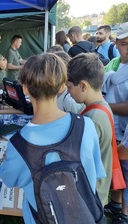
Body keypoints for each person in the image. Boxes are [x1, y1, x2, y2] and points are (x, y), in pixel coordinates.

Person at [0, 53, 106, 224]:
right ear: (62, 85)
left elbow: (8, 179)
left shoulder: (18, 144)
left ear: (25, 88)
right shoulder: (86, 125)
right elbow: (96, 173)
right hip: (85, 215)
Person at [67, 52, 113, 206]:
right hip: (97, 189)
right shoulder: (102, 107)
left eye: (69, 87)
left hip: (90, 195)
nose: (68, 92)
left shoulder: (92, 118)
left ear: (83, 86)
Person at [102, 21, 128, 224]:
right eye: (126, 43)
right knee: (117, 169)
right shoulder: (115, 65)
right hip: (114, 128)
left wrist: (101, 107)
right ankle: (116, 204)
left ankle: (125, 215)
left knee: (126, 172)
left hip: (125, 134)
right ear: (117, 43)